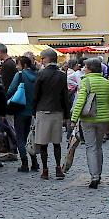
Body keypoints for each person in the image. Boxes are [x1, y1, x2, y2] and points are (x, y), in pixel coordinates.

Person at [71, 58, 109, 189]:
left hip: (88, 119)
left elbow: (80, 102)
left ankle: (94, 176)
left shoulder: (86, 82)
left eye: (85, 67)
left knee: (91, 147)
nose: (84, 69)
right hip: (103, 119)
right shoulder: (106, 82)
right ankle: (99, 174)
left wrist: (74, 119)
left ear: (90, 68)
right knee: (99, 146)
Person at [32, 49, 70, 180]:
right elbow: (65, 95)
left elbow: (36, 95)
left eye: (42, 58)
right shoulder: (61, 75)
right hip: (57, 111)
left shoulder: (41, 74)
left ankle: (45, 170)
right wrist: (66, 115)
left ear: (47, 59)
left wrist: (33, 111)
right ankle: (58, 168)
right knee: (56, 143)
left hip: (42, 110)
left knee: (43, 143)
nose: (41, 61)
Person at [7, 56, 40, 172]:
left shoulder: (20, 75)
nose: (16, 67)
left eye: (18, 64)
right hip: (32, 111)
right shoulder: (37, 76)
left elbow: (11, 90)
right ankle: (34, 162)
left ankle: (25, 163)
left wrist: (7, 100)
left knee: (20, 137)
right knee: (29, 137)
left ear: (24, 65)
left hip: (20, 109)